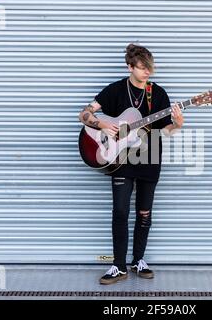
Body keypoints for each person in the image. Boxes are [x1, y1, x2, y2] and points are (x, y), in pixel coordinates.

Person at [78, 43, 184, 285]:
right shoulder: (115, 90)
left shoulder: (158, 94)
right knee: (121, 211)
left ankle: (139, 260)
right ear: (130, 67)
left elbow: (165, 131)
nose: (148, 71)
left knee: (144, 213)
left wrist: (177, 125)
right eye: (142, 67)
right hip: (121, 161)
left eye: (150, 67)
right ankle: (118, 266)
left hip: (149, 159)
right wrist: (102, 124)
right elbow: (83, 114)